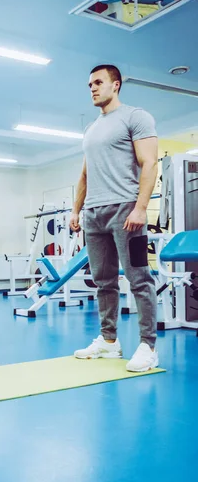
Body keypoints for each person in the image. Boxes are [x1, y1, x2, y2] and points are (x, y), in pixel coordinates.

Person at [70, 64, 159, 372]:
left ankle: (148, 346)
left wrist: (140, 207)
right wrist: (75, 210)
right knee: (103, 281)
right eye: (89, 84)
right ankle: (109, 342)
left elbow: (149, 163)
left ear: (116, 84)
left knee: (139, 279)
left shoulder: (136, 117)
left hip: (125, 211)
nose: (92, 88)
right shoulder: (91, 129)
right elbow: (84, 174)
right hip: (94, 214)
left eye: (98, 82)